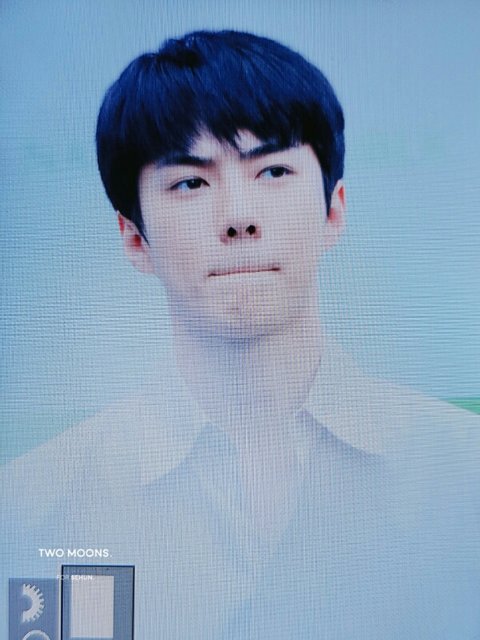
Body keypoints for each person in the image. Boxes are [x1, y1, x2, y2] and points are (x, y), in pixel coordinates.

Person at [2, 30, 479, 639]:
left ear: (333, 210)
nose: (238, 217)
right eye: (190, 182)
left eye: (273, 170)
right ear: (134, 238)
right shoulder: (31, 508)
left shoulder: (466, 474)